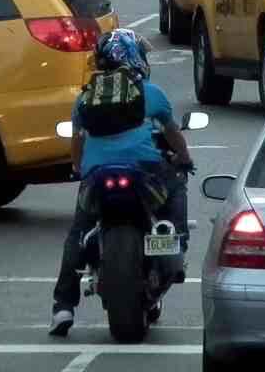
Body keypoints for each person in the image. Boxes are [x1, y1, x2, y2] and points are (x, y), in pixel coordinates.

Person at [50, 29, 194, 337]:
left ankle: (63, 306)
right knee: (177, 184)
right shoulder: (150, 93)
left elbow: (77, 143)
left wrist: (80, 167)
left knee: (78, 231)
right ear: (135, 57)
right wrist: (184, 159)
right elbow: (172, 135)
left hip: (98, 174)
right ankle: (175, 238)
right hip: (143, 169)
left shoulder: (86, 96)